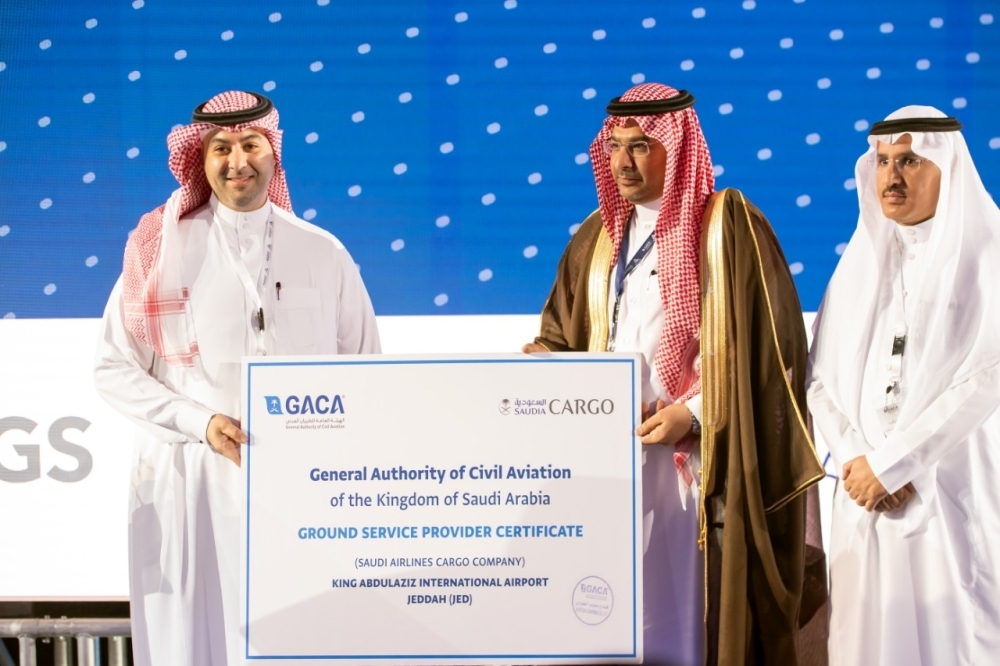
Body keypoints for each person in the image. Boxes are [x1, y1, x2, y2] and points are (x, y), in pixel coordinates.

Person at [523, 83, 826, 665]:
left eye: (641, 146)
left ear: (678, 145)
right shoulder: (596, 238)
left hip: (702, 468)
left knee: (693, 623)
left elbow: (776, 353)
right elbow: (560, 334)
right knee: (612, 615)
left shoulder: (728, 228)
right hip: (609, 464)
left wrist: (694, 414)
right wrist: (544, 364)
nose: (623, 162)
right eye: (614, 147)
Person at [94, 91, 380, 666]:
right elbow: (112, 367)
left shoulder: (322, 252)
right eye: (220, 148)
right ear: (199, 161)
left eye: (251, 145)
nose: (237, 161)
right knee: (194, 641)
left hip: (302, 487)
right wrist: (200, 422)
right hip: (190, 480)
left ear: (273, 153)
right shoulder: (160, 248)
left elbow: (365, 369)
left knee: (298, 637)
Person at [808, 106, 1000, 665]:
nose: (892, 177)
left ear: (947, 168)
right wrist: (859, 462)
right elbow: (820, 381)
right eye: (885, 161)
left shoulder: (989, 258)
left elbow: (986, 376)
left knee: (956, 635)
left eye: (911, 161)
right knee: (867, 639)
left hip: (950, 492)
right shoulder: (859, 262)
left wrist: (894, 464)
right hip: (864, 498)